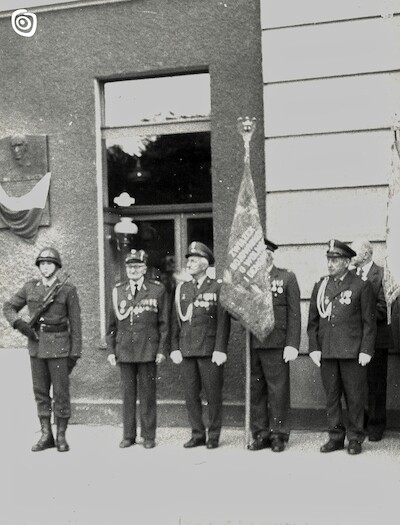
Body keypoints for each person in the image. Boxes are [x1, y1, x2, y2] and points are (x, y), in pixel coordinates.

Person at [3, 247, 82, 452]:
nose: (46, 267)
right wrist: (19, 324)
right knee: (40, 392)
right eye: (42, 264)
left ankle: (62, 436)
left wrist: (75, 351)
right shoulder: (30, 287)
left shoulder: (67, 289)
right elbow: (8, 307)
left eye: (50, 263)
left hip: (60, 347)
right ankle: (46, 434)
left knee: (61, 393)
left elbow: (76, 323)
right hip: (37, 346)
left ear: (57, 266)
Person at [307, 239, 376, 455]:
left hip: (352, 352)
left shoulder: (360, 285)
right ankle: (336, 437)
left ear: (347, 262)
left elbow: (369, 322)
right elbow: (313, 322)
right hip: (327, 351)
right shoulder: (321, 286)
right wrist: (314, 347)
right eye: (329, 259)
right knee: (331, 397)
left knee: (354, 397)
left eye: (335, 260)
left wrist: (366, 349)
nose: (330, 264)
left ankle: (355, 437)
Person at [106, 249, 169, 449]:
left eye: (137, 266)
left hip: (148, 349)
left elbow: (164, 324)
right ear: (126, 269)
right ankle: (128, 435)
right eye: (130, 266)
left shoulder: (157, 290)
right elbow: (111, 326)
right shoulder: (118, 291)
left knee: (148, 395)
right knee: (127, 395)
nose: (133, 270)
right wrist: (110, 350)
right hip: (124, 349)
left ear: (144, 269)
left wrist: (161, 350)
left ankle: (149, 436)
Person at [170, 241, 230, 449]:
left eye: (194, 260)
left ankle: (213, 435)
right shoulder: (182, 290)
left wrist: (220, 349)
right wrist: (174, 348)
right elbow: (174, 322)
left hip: (209, 350)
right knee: (190, 395)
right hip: (187, 350)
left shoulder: (217, 287)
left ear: (205, 264)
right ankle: (197, 433)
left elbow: (223, 322)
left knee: (213, 395)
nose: (189, 264)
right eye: (188, 260)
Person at [247, 238, 301, 453]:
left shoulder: (286, 277)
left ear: (270, 254)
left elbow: (294, 314)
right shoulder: (249, 279)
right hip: (254, 343)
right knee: (256, 390)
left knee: (278, 391)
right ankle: (260, 434)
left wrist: (292, 344)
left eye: (262, 253)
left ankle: (278, 434)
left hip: (277, 344)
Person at [351, 239, 393, 441]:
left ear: (366, 255)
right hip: (355, 340)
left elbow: (384, 307)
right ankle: (362, 422)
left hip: (376, 339)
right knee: (357, 384)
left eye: (355, 253)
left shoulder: (383, 274)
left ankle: (376, 426)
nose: (351, 257)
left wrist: (357, 317)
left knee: (376, 384)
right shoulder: (350, 276)